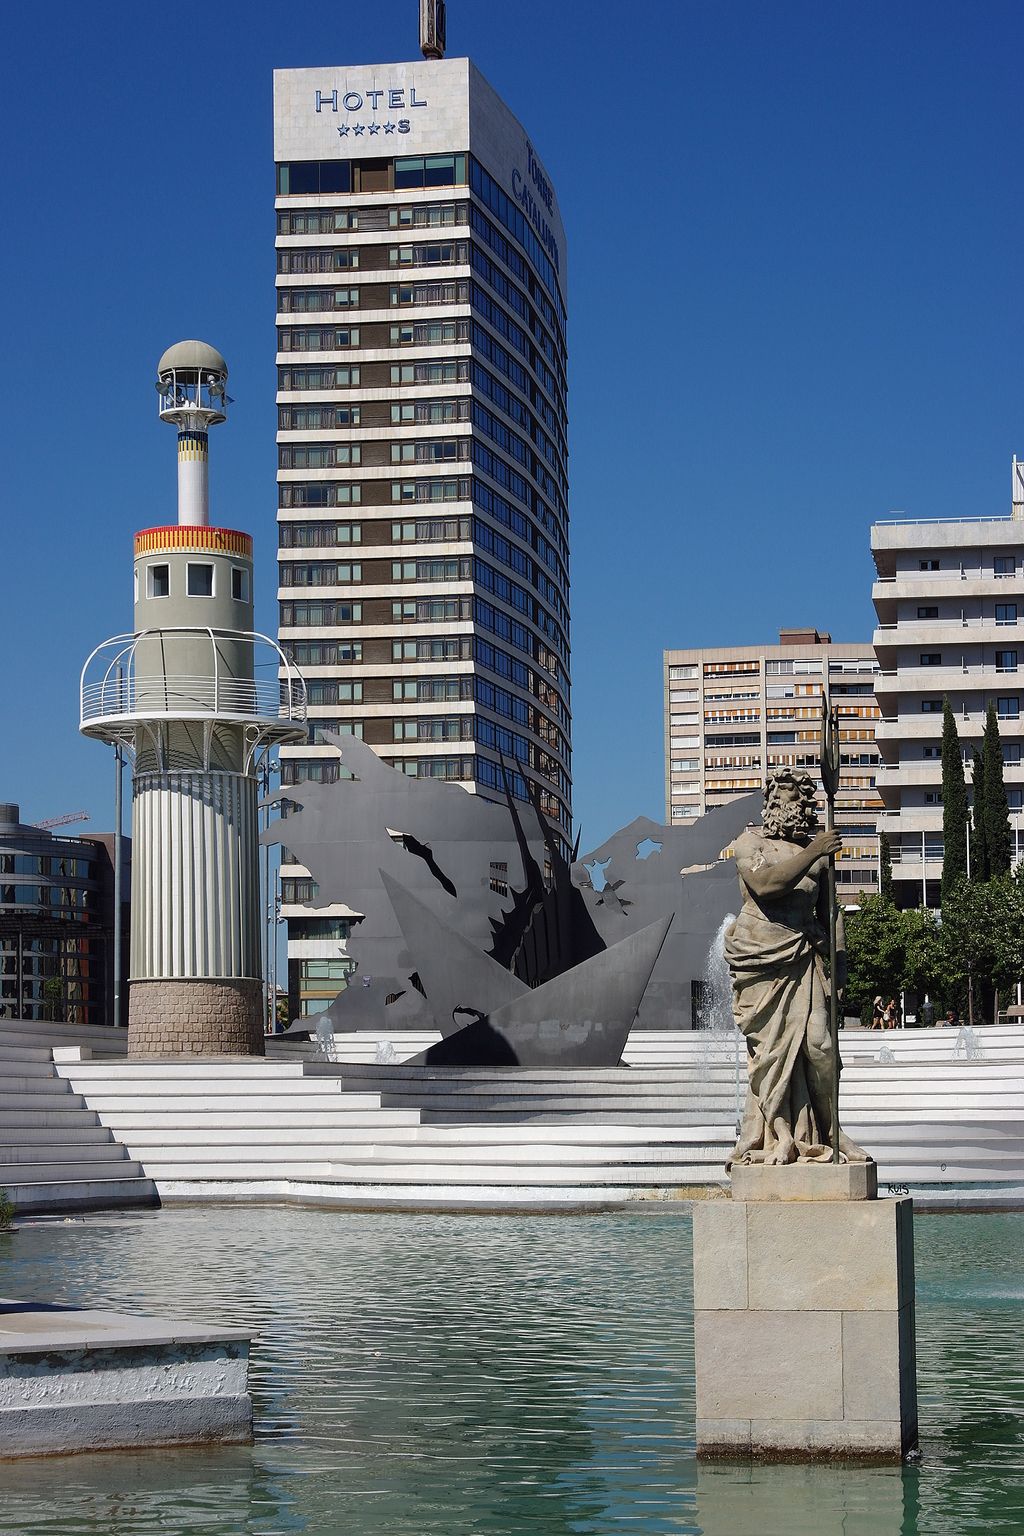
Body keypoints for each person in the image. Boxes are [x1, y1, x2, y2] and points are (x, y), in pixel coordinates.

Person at [724, 768, 871, 1168]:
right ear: (770, 801)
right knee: (770, 1053)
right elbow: (767, 885)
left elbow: (830, 914)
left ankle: (831, 1128)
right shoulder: (750, 843)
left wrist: (838, 971)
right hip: (761, 958)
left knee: (821, 1045)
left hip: (806, 956)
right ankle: (781, 1132)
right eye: (784, 797)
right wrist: (814, 853)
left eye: (800, 800)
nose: (791, 806)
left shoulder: (816, 853)